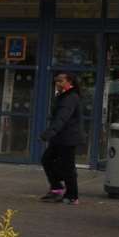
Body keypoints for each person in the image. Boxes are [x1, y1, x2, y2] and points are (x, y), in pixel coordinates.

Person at [41, 71, 84, 205]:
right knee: (47, 160)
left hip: (68, 138)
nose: (58, 83)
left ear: (69, 82)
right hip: (60, 137)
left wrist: (49, 132)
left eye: (61, 81)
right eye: (56, 81)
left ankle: (72, 196)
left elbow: (62, 118)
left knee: (67, 167)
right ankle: (57, 188)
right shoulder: (63, 96)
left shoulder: (71, 97)